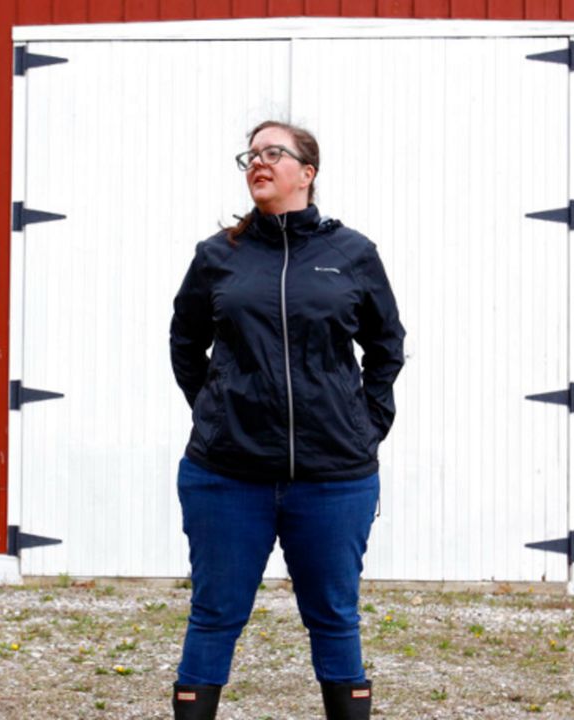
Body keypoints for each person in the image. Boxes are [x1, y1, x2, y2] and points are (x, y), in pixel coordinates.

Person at [168, 120, 405, 720]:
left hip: (333, 477)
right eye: (250, 154)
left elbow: (386, 346)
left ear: (308, 172)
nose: (258, 162)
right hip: (226, 476)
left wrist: (364, 425)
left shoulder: (351, 254)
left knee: (333, 617)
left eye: (274, 152)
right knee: (215, 613)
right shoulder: (218, 256)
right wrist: (215, 414)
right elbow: (185, 340)